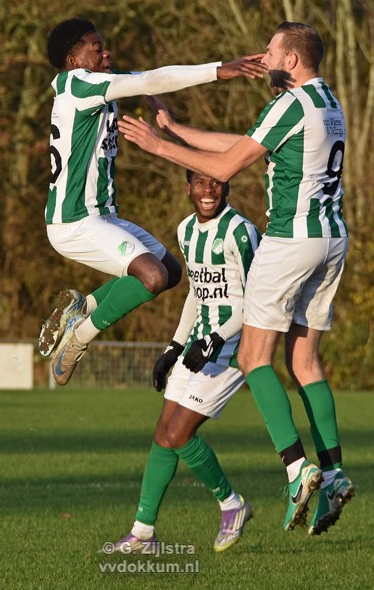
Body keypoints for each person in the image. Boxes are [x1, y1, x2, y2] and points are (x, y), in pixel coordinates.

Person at [119, 22, 355, 535]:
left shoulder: (290, 103)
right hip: (332, 238)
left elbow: (226, 166)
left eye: (270, 51)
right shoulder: (328, 102)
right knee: (305, 361)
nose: (263, 58)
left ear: (291, 60)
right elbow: (246, 145)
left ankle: (297, 470)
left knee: (252, 358)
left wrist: (159, 147)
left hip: (291, 239)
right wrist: (178, 130)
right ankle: (334, 473)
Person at [38, 17, 267, 387]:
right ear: (73, 60)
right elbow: (150, 79)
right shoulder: (79, 84)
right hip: (74, 221)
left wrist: (161, 91)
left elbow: (151, 78)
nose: (106, 52)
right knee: (152, 277)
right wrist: (219, 70)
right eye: (97, 48)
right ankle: (79, 338)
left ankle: (83, 307)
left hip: (101, 216)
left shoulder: (93, 82)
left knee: (171, 272)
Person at [113, 170, 260, 554]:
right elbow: (197, 292)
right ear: (188, 188)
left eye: (216, 183)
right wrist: (174, 346)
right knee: (164, 434)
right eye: (200, 183)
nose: (208, 190)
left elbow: (256, 298)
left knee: (179, 434)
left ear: (226, 187)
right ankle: (143, 531)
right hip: (198, 344)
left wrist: (216, 338)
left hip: (232, 348)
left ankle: (232, 505)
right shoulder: (186, 230)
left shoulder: (241, 231)